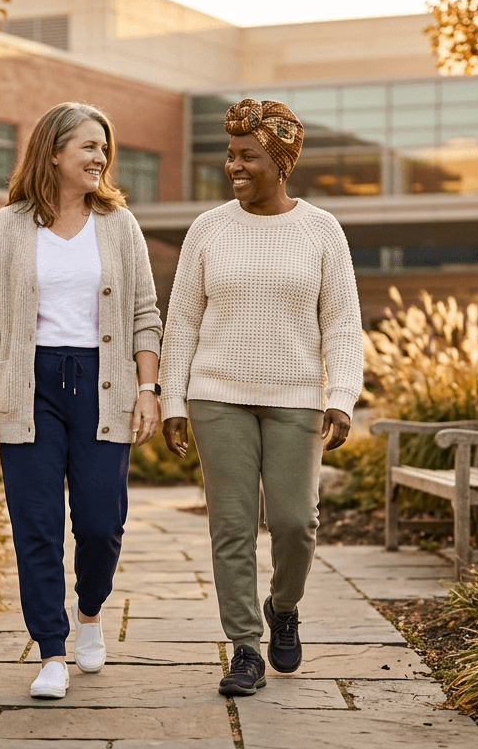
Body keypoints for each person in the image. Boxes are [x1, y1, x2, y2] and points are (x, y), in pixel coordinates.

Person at [159, 98, 364, 696]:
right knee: (231, 526)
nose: (233, 166)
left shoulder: (321, 229)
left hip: (297, 395)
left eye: (247, 155)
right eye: (230, 155)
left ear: (280, 160)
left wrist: (343, 394)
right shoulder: (208, 228)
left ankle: (285, 605)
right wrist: (176, 401)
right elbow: (184, 321)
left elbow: (343, 322)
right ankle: (245, 647)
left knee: (297, 523)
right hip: (217, 394)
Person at [0, 102, 163, 700]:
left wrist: (148, 389)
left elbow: (146, 316)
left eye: (105, 147)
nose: (100, 157)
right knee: (37, 525)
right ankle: (51, 650)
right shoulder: (7, 227)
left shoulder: (120, 225)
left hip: (105, 383)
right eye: (88, 146)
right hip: (29, 385)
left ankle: (91, 614)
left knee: (101, 524)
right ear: (52, 152)